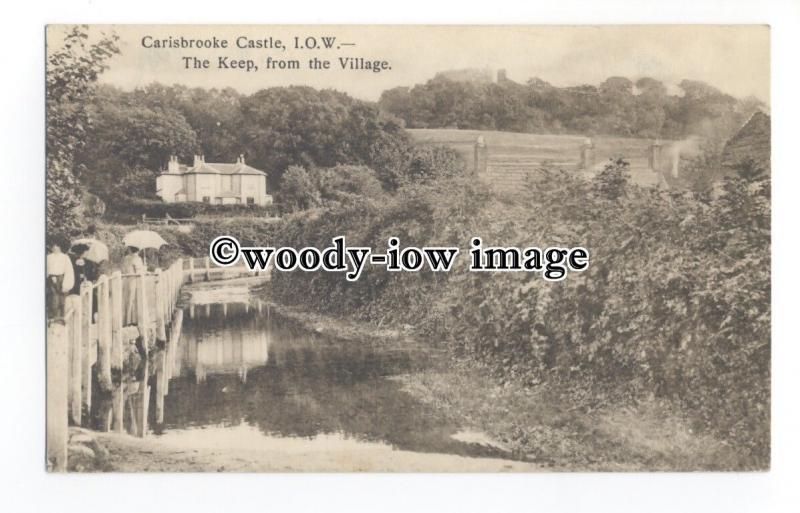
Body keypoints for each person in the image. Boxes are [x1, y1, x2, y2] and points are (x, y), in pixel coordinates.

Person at [46, 235, 75, 324]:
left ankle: (63, 320)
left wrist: (66, 283)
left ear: (60, 247)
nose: (55, 247)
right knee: (54, 300)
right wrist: (50, 277)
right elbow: (46, 269)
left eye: (57, 246)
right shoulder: (48, 257)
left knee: (63, 300)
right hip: (51, 279)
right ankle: (54, 320)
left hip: (62, 278)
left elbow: (68, 270)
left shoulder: (65, 257)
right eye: (53, 246)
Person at [122, 246, 145, 324]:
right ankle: (133, 320)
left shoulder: (126, 258)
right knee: (134, 299)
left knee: (127, 300)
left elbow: (124, 270)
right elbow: (138, 272)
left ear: (130, 249)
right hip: (134, 281)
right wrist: (144, 269)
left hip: (126, 280)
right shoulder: (137, 259)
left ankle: (126, 320)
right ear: (138, 250)